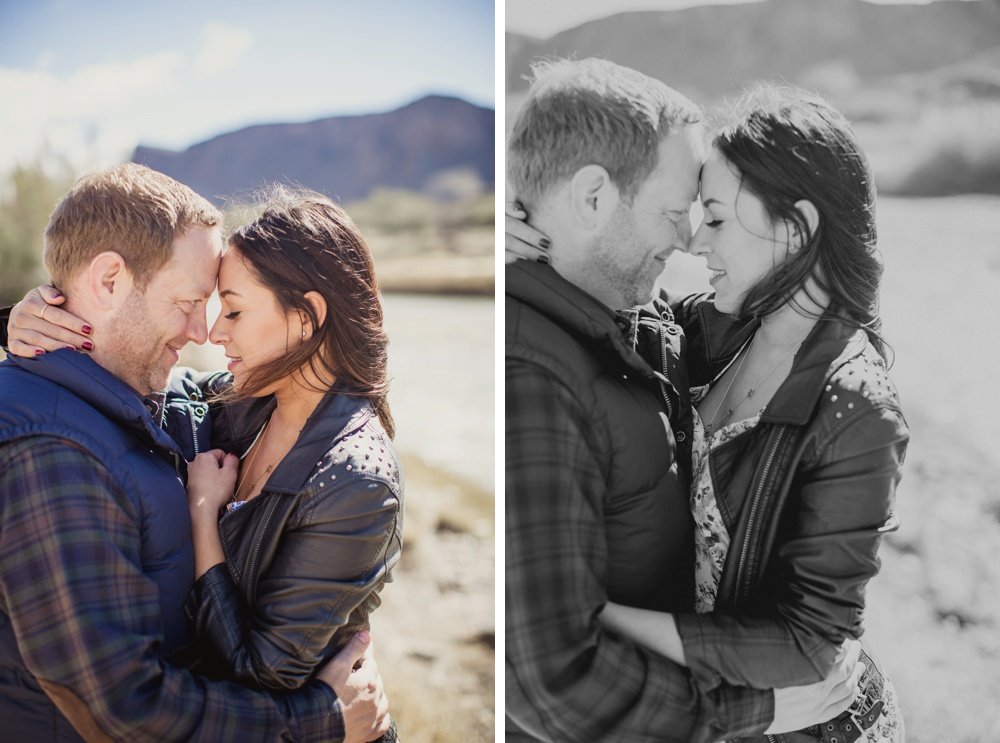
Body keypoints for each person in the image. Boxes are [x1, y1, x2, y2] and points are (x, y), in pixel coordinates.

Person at [508, 83, 908, 741]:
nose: (696, 242)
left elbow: (812, 646)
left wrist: (596, 617)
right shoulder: (709, 330)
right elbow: (603, 292)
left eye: (716, 218)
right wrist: (524, 235)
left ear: (797, 227)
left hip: (807, 726)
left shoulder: (856, 406)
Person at [0, 164, 391, 742]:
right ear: (109, 281)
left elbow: (273, 393)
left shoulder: (152, 397)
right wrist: (322, 720)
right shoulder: (51, 452)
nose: (202, 331)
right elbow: (121, 708)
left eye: (219, 307)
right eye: (189, 301)